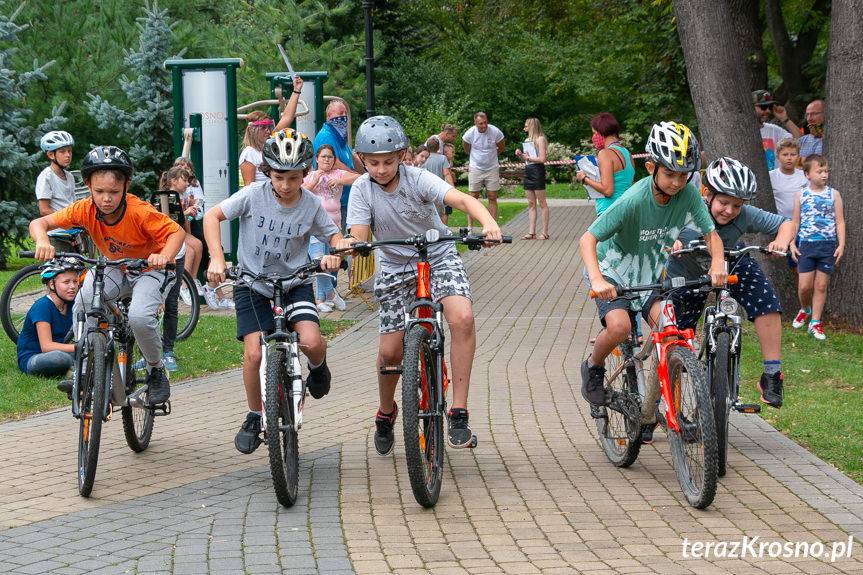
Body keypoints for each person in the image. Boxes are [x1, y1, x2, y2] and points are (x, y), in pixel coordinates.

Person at [341, 115, 503, 454]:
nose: (381, 169)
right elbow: (359, 233)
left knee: (462, 318)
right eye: (373, 163)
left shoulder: (418, 179)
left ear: (401, 156)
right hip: (395, 265)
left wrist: (488, 224)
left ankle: (458, 410)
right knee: (390, 352)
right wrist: (351, 245)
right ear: (362, 160)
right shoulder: (361, 189)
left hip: (437, 255)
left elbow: (461, 200)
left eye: (388, 161)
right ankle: (386, 412)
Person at [204, 129, 344, 455]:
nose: (285, 185)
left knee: (310, 340)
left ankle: (319, 367)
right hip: (252, 284)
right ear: (268, 171)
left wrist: (335, 250)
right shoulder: (253, 195)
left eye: (294, 178)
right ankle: (255, 414)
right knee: (254, 353)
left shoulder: (310, 204)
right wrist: (215, 257)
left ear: (304, 175)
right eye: (279, 176)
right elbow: (212, 216)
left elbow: (334, 236)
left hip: (295, 283)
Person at [578, 122, 726, 421]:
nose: (676, 183)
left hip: (650, 276)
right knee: (619, 327)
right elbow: (588, 239)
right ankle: (593, 367)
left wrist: (717, 263)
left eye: (683, 175)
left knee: (672, 332)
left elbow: (711, 234)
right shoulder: (633, 200)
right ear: (650, 167)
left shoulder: (688, 195)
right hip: (613, 274)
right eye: (669, 174)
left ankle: (667, 407)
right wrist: (596, 278)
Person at [29, 146, 185, 405]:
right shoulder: (84, 209)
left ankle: (156, 370)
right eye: (99, 191)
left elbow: (176, 232)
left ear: (126, 186)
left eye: (113, 192)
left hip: (150, 268)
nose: (106, 199)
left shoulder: (139, 211)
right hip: (114, 266)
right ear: (88, 185)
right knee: (83, 302)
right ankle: (83, 369)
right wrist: (42, 240)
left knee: (139, 316)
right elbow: (39, 223)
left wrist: (164, 255)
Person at [666, 157, 796, 413]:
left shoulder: (744, 215)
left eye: (736, 205)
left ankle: (772, 375)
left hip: (731, 262)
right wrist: (671, 243)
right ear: (707, 194)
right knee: (676, 337)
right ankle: (670, 406)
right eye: (723, 202)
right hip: (686, 272)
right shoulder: (685, 210)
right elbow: (656, 231)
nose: (729, 211)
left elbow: (787, 223)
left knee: (766, 301)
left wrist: (780, 241)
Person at [790, 154, 845, 341]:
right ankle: (805, 309)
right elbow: (795, 222)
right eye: (819, 171)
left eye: (826, 171)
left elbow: (840, 222)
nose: (824, 175)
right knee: (805, 286)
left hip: (827, 245)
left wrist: (841, 244)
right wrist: (791, 242)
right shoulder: (801, 195)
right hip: (806, 245)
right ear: (807, 174)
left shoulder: (834, 194)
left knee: (821, 286)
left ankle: (815, 323)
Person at [303, 144, 360, 312]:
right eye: (323, 157)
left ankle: (320, 298)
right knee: (320, 260)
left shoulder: (338, 173)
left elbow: (359, 178)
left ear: (334, 160)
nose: (327, 160)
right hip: (315, 225)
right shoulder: (310, 175)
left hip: (334, 225)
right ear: (317, 159)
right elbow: (300, 192)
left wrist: (340, 180)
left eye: (330, 157)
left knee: (330, 260)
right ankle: (330, 294)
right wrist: (314, 182)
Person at [16, 260, 82, 382]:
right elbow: (46, 346)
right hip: (34, 358)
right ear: (51, 284)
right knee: (61, 358)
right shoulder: (42, 306)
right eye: (66, 282)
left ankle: (74, 370)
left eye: (75, 281)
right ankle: (75, 369)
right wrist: (79, 347)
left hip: (59, 351)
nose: (73, 286)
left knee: (96, 354)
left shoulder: (73, 304)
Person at [313, 98, 363, 231]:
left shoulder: (339, 137)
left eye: (345, 114)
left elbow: (351, 156)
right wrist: (359, 177)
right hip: (335, 203)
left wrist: (365, 172)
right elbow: (334, 164)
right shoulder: (326, 136)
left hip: (345, 200)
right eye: (339, 114)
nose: (343, 117)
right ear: (329, 116)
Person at [576, 112, 635, 217]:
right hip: (625, 210)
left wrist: (584, 179)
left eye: (594, 133)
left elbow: (607, 190)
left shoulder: (605, 153)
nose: (593, 137)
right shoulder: (627, 153)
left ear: (602, 131)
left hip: (609, 213)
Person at [462, 112, 505, 227]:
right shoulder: (469, 134)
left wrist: (490, 156)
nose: (484, 125)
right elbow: (466, 149)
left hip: (492, 168)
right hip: (476, 168)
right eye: (481, 123)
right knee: (473, 197)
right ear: (475, 123)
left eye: (485, 122)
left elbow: (501, 147)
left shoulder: (495, 131)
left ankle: (492, 225)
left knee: (492, 196)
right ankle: (470, 227)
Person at [515, 117, 550, 240]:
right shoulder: (527, 140)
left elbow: (542, 159)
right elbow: (527, 158)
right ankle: (532, 232)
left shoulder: (540, 139)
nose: (524, 128)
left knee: (542, 203)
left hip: (537, 171)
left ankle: (545, 232)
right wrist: (521, 155)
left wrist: (527, 158)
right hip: (528, 170)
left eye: (526, 125)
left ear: (532, 126)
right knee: (531, 203)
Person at [753, 90, 800, 171]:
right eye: (763, 107)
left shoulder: (774, 130)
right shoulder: (740, 131)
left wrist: (784, 119)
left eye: (770, 107)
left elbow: (799, 140)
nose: (768, 111)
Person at [35, 131, 77, 217]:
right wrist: (66, 220)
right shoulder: (46, 176)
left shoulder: (69, 176)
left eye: (69, 151)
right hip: (57, 228)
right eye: (62, 152)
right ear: (51, 155)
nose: (68, 155)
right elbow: (44, 210)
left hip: (74, 226)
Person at [769, 139, 807, 220]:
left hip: (802, 221)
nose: (789, 158)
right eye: (785, 155)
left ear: (798, 157)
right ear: (778, 157)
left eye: (793, 154)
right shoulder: (770, 176)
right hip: (779, 222)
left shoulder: (805, 176)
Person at [422, 136, 454, 224]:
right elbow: (446, 173)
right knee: (442, 213)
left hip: (427, 190)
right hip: (439, 189)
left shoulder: (424, 159)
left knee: (429, 212)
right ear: (438, 147)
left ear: (427, 147)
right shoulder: (442, 158)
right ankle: (443, 232)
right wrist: (452, 187)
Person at [239, 111, 275, 186]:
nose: (268, 131)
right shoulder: (249, 153)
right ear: (252, 130)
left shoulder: (267, 150)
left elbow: (286, 118)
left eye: (269, 127)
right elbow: (249, 188)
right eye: (263, 127)